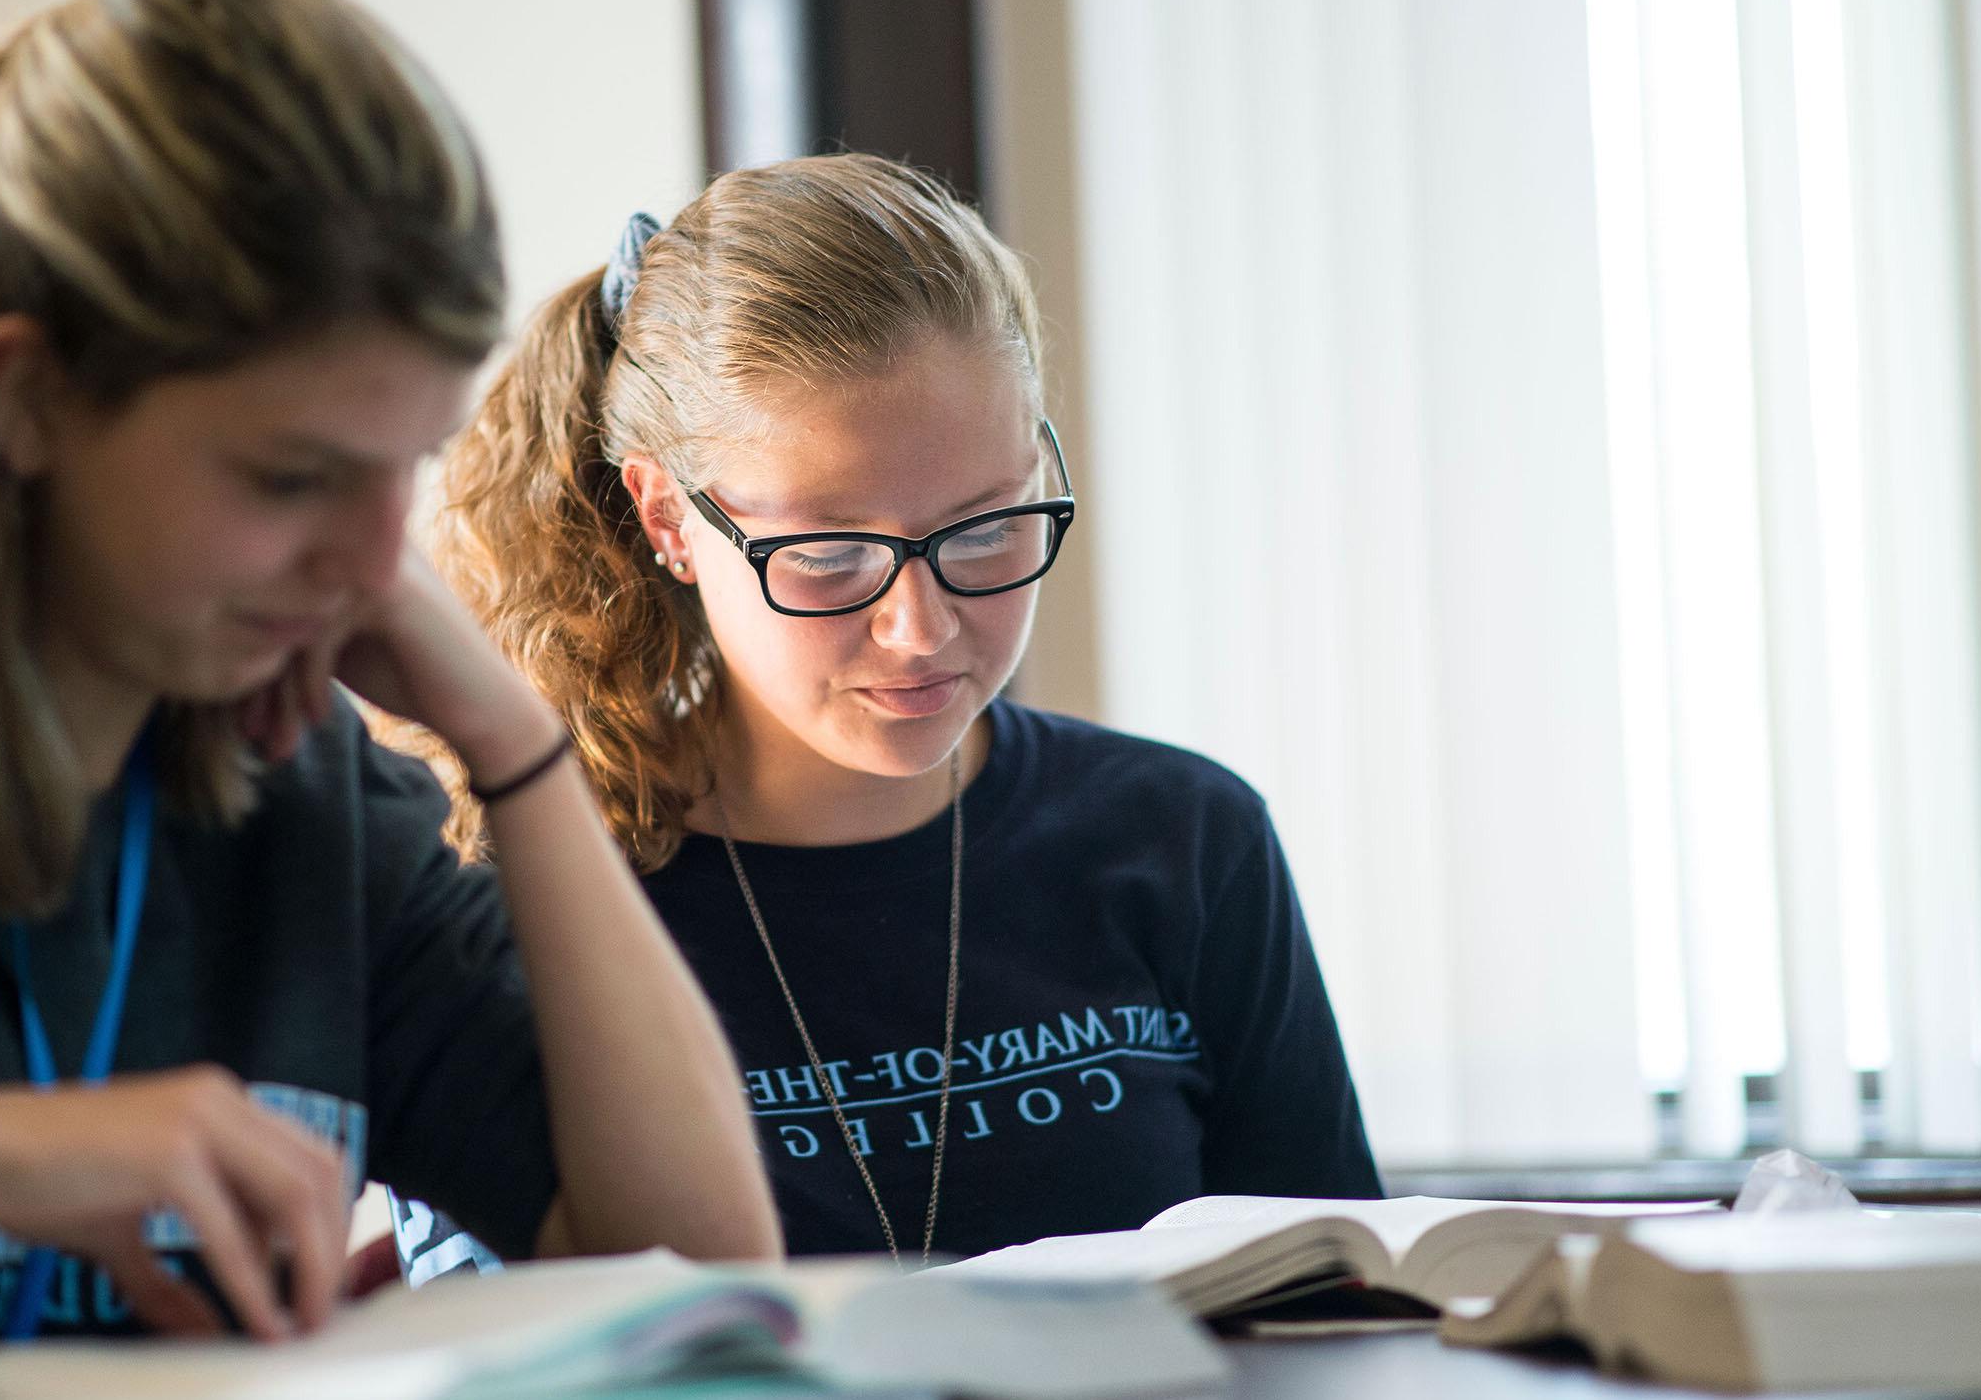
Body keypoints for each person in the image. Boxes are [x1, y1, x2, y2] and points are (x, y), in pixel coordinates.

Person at [0, 0, 776, 1400]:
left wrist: (511, 739)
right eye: (291, 474)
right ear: (23, 396)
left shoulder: (303, 785)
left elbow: (700, 1270)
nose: (375, 556)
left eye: (408, 464)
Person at [422, 153, 1380, 1268]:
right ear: (668, 518)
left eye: (983, 530)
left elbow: (1334, 1303)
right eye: (829, 555)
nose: (920, 629)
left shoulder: (1186, 838)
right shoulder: (530, 897)